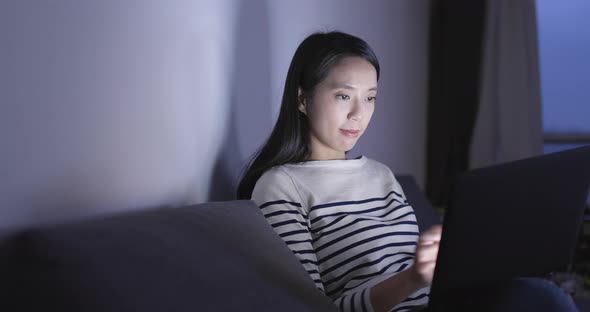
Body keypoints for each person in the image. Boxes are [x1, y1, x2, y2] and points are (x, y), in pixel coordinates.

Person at [236, 31, 578, 312]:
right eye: (343, 96)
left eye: (370, 98)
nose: (359, 114)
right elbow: (310, 306)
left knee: (538, 293)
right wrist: (413, 278)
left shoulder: (382, 176)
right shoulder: (281, 185)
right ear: (302, 99)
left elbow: (424, 276)